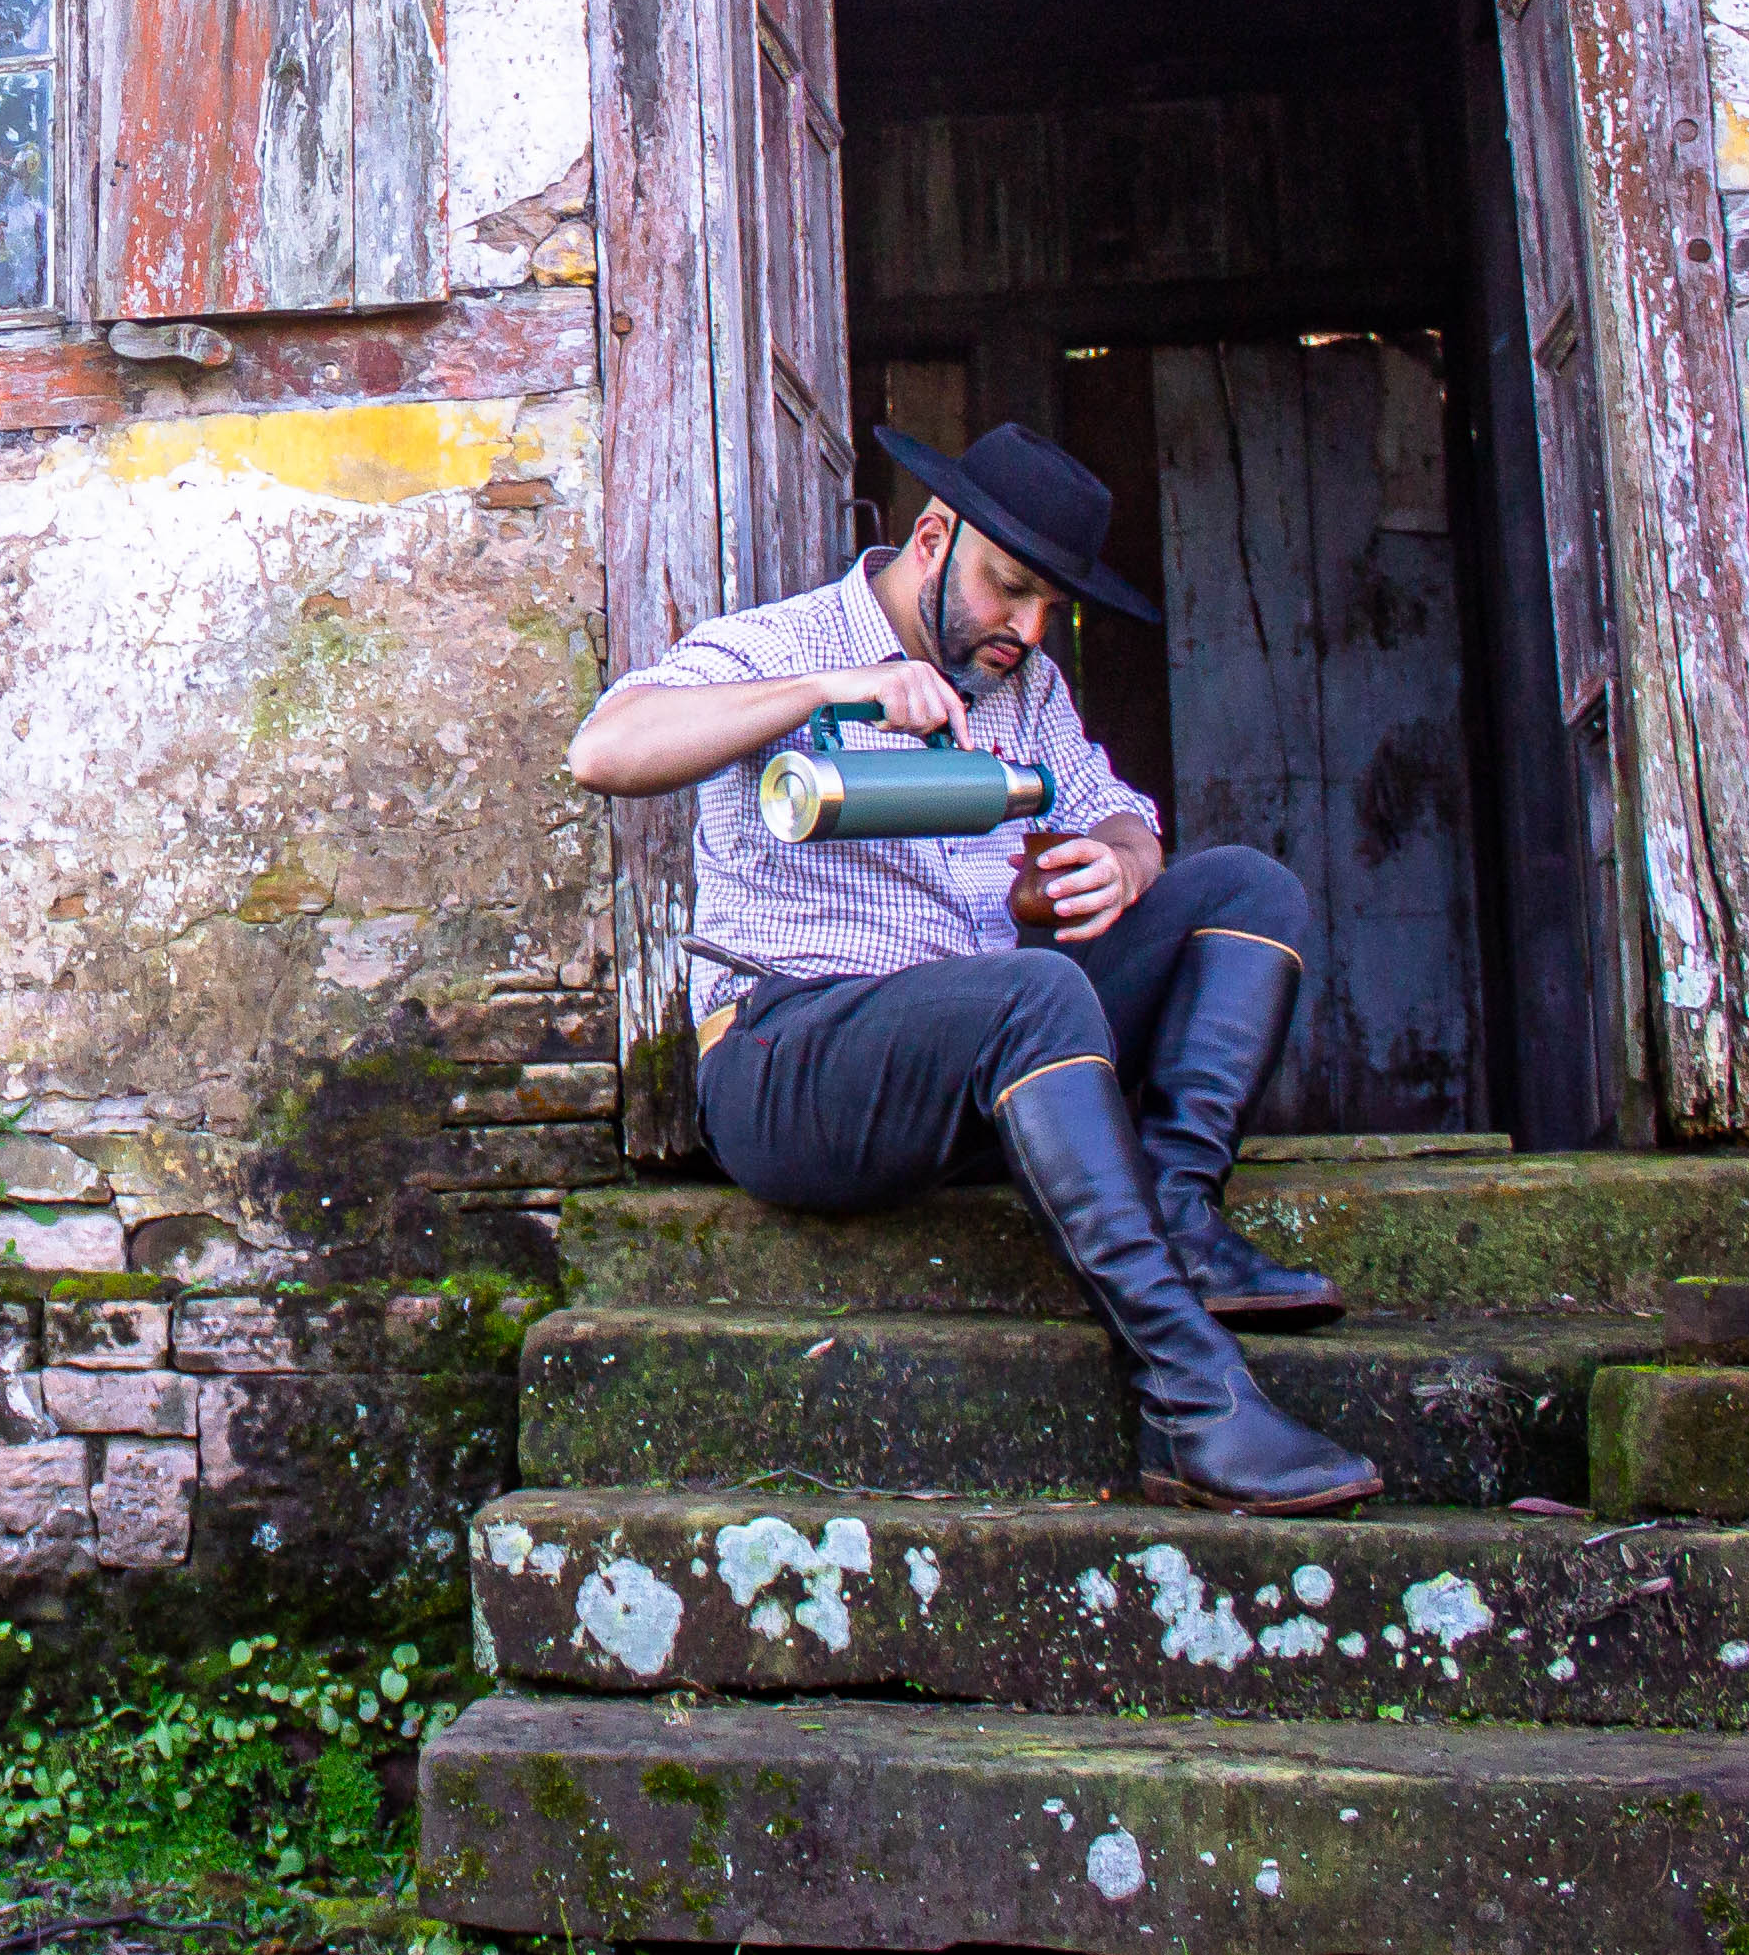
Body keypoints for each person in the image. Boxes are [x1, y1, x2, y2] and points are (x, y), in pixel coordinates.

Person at [566, 420, 1378, 1517]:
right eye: (1011, 589)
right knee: (1037, 993)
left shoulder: (1027, 686)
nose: (1030, 630)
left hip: (969, 1064)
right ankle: (1193, 1400)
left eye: (1053, 607)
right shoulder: (777, 643)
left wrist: (1123, 862)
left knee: (1247, 889)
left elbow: (1118, 810)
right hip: (789, 1062)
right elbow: (605, 748)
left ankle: (1182, 1219)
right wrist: (829, 689)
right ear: (932, 538)